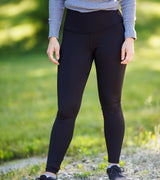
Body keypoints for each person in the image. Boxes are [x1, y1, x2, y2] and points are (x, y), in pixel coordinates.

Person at [36, 0, 137, 179]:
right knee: (67, 107)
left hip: (111, 31)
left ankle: (114, 166)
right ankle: (50, 173)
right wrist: (53, 36)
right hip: (74, 32)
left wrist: (129, 36)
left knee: (111, 102)